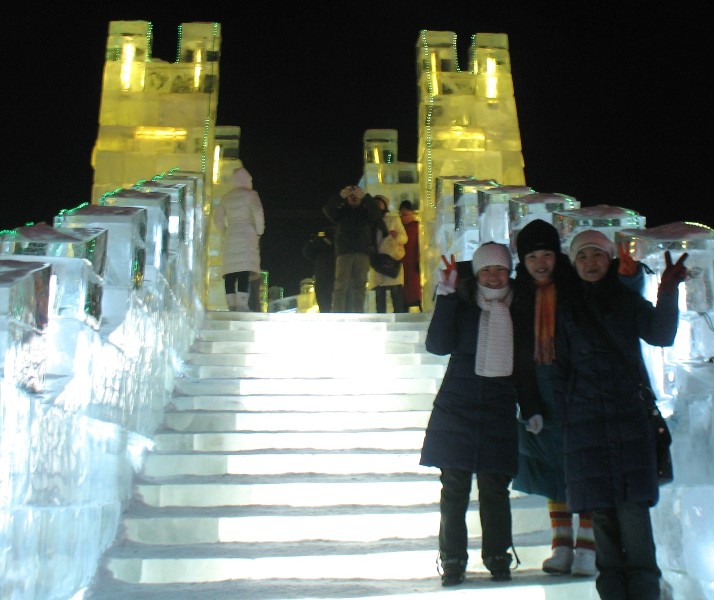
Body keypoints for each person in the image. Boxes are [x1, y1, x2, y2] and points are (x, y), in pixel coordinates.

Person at [552, 229, 688, 600]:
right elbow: (559, 369)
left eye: (596, 255)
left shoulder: (625, 299)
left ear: (609, 259)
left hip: (629, 421)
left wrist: (669, 290)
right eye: (582, 257)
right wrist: (569, 415)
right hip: (586, 428)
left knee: (633, 518)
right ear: (574, 263)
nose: (590, 263)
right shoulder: (566, 307)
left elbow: (660, 334)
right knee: (604, 525)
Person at [419, 243, 544, 586]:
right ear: (476, 273)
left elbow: (523, 365)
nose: (493, 276)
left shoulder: (519, 308)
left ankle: (498, 556)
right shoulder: (460, 303)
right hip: (458, 402)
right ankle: (453, 559)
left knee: (494, 487)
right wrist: (444, 295)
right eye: (486, 269)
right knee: (454, 486)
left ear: (509, 272)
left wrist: (531, 408)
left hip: (499, 403)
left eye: (500, 269)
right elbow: (438, 345)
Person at [510, 219, 597, 577]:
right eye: (532, 256)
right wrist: (528, 403)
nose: (541, 262)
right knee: (551, 470)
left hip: (577, 390)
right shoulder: (520, 294)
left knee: (587, 468)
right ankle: (561, 542)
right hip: (539, 392)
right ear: (523, 260)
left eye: (547, 254)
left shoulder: (575, 288)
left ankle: (589, 546)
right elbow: (517, 352)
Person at [322, 185, 383, 312]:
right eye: (351, 195)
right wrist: (340, 196)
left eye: (356, 195)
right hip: (344, 252)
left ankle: (358, 312)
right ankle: (338, 312)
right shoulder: (341, 212)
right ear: (347, 198)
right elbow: (327, 209)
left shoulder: (366, 212)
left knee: (360, 284)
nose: (354, 197)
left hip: (362, 252)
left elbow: (377, 213)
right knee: (340, 285)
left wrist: (365, 197)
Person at [212, 166, 265, 312]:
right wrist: (259, 231)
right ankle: (242, 304)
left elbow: (217, 219)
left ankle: (231, 304)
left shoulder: (226, 197)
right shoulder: (251, 194)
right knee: (243, 270)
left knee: (230, 272)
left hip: (232, 233)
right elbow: (258, 212)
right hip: (247, 234)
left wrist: (226, 232)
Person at [369, 195, 407, 313]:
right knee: (380, 294)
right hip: (377, 260)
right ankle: (381, 320)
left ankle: (399, 320)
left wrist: (397, 236)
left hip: (392, 259)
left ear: (384, 204)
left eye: (379, 203)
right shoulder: (371, 221)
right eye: (374, 204)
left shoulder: (394, 219)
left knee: (396, 292)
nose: (377, 206)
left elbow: (405, 238)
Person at [302, 225, 336, 313]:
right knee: (327, 298)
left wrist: (318, 240)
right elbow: (307, 251)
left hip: (323, 274)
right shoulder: (335, 245)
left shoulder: (320, 246)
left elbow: (307, 251)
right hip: (331, 274)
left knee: (324, 299)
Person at [399, 200, 422, 312]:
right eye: (402, 214)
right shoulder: (400, 227)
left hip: (412, 260)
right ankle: (405, 304)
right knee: (404, 285)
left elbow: (419, 244)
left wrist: (419, 259)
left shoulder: (416, 226)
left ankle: (415, 302)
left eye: (405, 214)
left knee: (413, 285)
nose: (403, 217)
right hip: (403, 260)